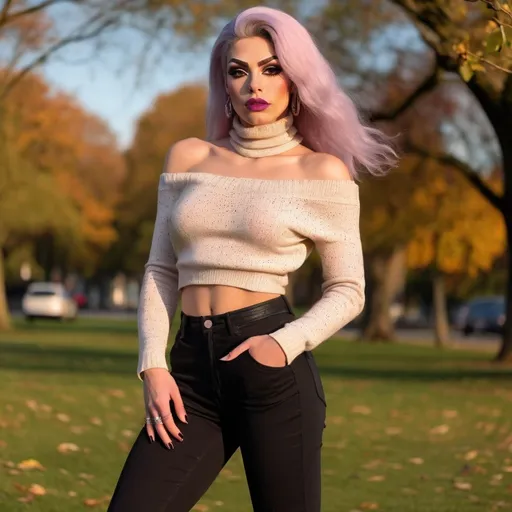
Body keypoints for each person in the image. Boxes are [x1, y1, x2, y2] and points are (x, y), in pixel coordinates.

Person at [107, 6, 396, 512]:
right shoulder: (188, 158)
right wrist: (153, 364)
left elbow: (349, 290)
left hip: (271, 368)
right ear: (225, 82)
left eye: (271, 68)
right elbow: (161, 269)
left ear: (295, 78)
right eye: (238, 71)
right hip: (190, 374)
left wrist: (284, 345)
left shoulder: (322, 172)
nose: (253, 84)